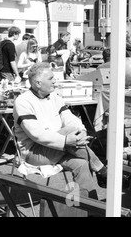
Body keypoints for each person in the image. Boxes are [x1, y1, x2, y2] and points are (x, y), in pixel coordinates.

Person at [13, 62, 107, 198]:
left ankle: (90, 208)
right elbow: (36, 135)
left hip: (59, 149)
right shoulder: (23, 101)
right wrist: (66, 140)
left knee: (81, 164)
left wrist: (81, 130)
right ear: (38, 83)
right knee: (68, 131)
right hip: (34, 152)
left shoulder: (54, 97)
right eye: (51, 79)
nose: (55, 82)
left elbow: (69, 117)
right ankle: (101, 169)